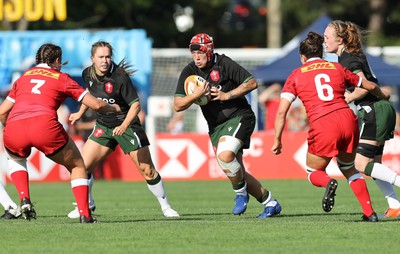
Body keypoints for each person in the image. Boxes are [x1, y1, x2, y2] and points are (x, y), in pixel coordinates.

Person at [272, 31, 390, 222]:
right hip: (347, 118)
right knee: (349, 168)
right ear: (322, 52)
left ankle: (328, 182)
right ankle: (370, 213)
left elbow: (281, 112)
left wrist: (277, 139)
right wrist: (383, 95)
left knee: (313, 172)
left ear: (302, 57)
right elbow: (367, 85)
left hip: (323, 122)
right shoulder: (335, 67)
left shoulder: (295, 75)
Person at [0, 43, 121, 223]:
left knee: (15, 158)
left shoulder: (24, 77)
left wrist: (9, 128)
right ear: (57, 60)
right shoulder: (61, 77)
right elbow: (96, 105)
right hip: (44, 126)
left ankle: (24, 198)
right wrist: (115, 107)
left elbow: (2, 111)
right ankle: (85, 215)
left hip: (15, 126)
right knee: (78, 166)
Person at [174, 33, 281, 218]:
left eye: (200, 52)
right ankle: (270, 203)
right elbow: (177, 105)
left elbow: (251, 83)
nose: (197, 57)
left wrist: (227, 95)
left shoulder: (224, 63)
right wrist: (196, 95)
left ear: (209, 50)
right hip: (216, 127)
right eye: (194, 53)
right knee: (238, 172)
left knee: (225, 155)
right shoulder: (189, 72)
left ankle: (240, 194)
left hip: (240, 116)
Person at [67, 41, 179, 219]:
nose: (105, 60)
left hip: (127, 125)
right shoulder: (87, 73)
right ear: (92, 58)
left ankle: (166, 207)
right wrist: (80, 112)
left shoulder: (120, 77)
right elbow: (89, 95)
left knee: (147, 170)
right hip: (104, 125)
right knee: (82, 166)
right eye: (101, 57)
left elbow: (136, 106)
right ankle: (86, 204)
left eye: (108, 56)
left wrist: (124, 126)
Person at [324, 20, 400, 218]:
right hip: (379, 108)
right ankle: (394, 205)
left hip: (373, 110)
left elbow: (362, 86)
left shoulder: (348, 60)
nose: (324, 42)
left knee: (360, 164)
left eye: (327, 37)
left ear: (339, 40)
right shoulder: (351, 57)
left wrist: (345, 98)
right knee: (374, 163)